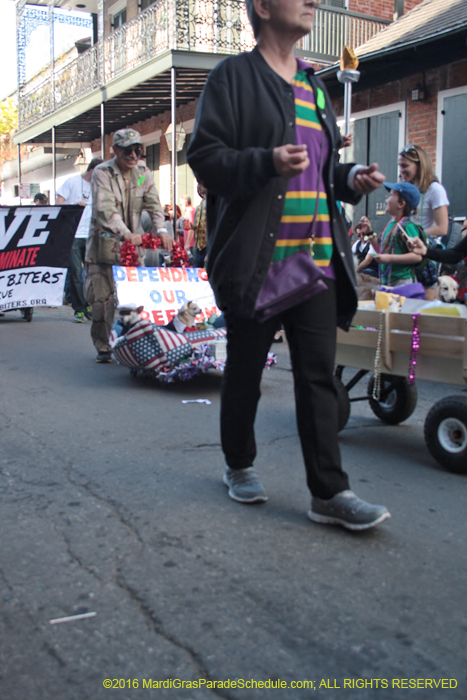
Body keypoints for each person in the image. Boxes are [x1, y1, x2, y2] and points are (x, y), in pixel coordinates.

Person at [187, 0, 390, 530]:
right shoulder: (233, 77)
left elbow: (320, 171)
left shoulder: (315, 85)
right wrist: (265, 162)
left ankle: (330, 492)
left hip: (316, 257)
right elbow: (204, 157)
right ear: (262, 6)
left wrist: (349, 180)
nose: (310, 2)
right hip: (258, 260)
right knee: (247, 372)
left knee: (318, 376)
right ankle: (239, 463)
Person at [85, 129, 172, 363]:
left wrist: (162, 230)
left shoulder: (142, 173)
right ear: (115, 151)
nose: (133, 155)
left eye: (137, 150)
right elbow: (105, 209)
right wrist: (125, 233)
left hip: (133, 251)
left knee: (134, 302)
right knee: (102, 302)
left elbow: (153, 203)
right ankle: (104, 347)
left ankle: (130, 345)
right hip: (103, 248)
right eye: (128, 150)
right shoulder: (102, 173)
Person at [56, 158, 103, 322]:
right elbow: (59, 203)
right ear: (92, 171)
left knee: (92, 273)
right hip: (73, 235)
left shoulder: (99, 187)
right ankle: (79, 309)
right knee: (76, 273)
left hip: (91, 234)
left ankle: (88, 304)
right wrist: (73, 205)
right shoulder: (72, 182)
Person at [360, 182, 422, 288]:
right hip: (387, 280)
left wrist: (389, 258)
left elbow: (417, 256)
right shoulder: (390, 224)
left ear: (401, 204)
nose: (386, 196)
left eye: (391, 194)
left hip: (402, 282)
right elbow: (381, 249)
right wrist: (369, 232)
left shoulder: (407, 226)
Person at [398, 144, 450, 241]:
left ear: (419, 166)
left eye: (405, 166)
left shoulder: (435, 189)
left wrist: (414, 236)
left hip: (426, 249)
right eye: (399, 166)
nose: (401, 170)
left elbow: (442, 228)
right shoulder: (407, 190)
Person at [187, 184, 207, 267]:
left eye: (201, 184)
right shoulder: (198, 208)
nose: (198, 187)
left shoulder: (214, 205)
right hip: (199, 246)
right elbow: (198, 225)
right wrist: (193, 226)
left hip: (208, 245)